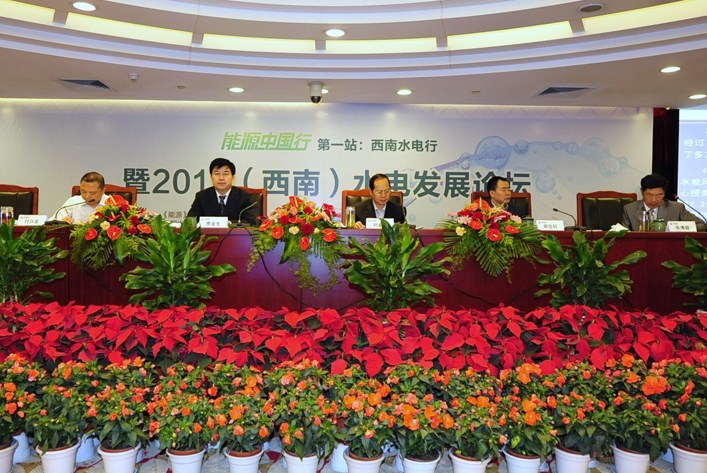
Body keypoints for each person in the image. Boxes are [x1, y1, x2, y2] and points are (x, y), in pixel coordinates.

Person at [622, 173, 706, 231]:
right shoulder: (630, 209)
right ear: (642, 192)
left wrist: (671, 228)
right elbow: (623, 233)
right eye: (649, 195)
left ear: (664, 193)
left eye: (659, 195)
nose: (654, 199)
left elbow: (701, 226)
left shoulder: (676, 208)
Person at [187, 158, 258, 225]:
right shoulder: (202, 197)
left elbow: (251, 222)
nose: (221, 178)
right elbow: (190, 221)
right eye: (217, 174)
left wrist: (227, 223)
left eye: (225, 174)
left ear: (233, 177)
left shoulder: (244, 197)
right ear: (211, 177)